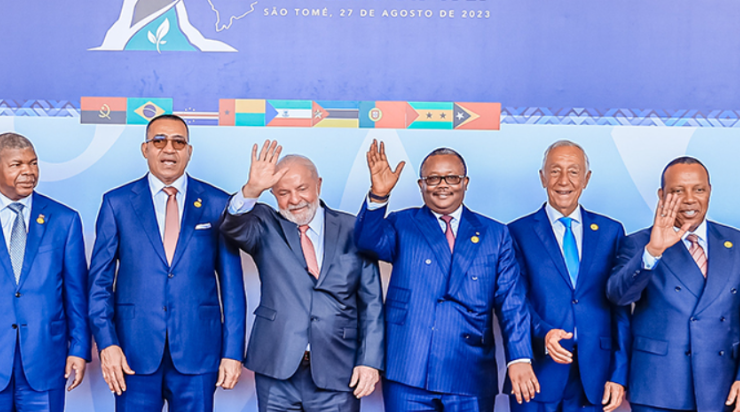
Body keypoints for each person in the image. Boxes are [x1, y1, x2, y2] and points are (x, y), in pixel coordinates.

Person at [355, 141, 538, 412]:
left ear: (465, 182)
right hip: (408, 370)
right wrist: (379, 196)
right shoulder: (402, 223)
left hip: (470, 371)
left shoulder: (495, 234)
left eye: (451, 177)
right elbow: (367, 241)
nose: (443, 185)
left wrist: (520, 357)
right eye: (433, 178)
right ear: (421, 185)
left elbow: (512, 303)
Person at [88, 114, 246, 412]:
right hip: (132, 354)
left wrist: (233, 352)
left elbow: (232, 287)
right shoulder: (117, 203)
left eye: (178, 142)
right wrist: (107, 344)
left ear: (189, 151)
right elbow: (98, 283)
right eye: (159, 141)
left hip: (199, 352)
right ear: (145, 149)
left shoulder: (216, 202)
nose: (168, 149)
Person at [220, 140, 384, 412]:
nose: (294, 200)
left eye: (302, 189)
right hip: (276, 368)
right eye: (283, 192)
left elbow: (372, 304)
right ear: (272, 193)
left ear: (318, 184)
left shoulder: (354, 228)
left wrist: (369, 361)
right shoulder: (263, 224)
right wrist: (251, 190)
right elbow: (231, 226)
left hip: (338, 369)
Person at [0, 133, 90, 412]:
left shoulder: (65, 220)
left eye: (33, 164)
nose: (28, 172)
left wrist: (79, 349)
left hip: (46, 359)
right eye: (17, 164)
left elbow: (76, 294)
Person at [607, 156, 740, 412]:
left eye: (698, 189)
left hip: (722, 386)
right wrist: (653, 251)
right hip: (659, 387)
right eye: (677, 191)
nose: (689, 199)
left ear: (709, 190)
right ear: (662, 195)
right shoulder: (640, 243)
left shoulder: (736, 243)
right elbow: (617, 296)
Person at [508, 140, 630, 412]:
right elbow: (515, 301)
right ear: (542, 177)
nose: (564, 180)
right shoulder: (517, 232)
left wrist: (619, 373)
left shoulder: (611, 232)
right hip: (538, 374)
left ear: (586, 179)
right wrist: (543, 333)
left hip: (596, 376)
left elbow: (620, 309)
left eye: (574, 171)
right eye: (555, 171)